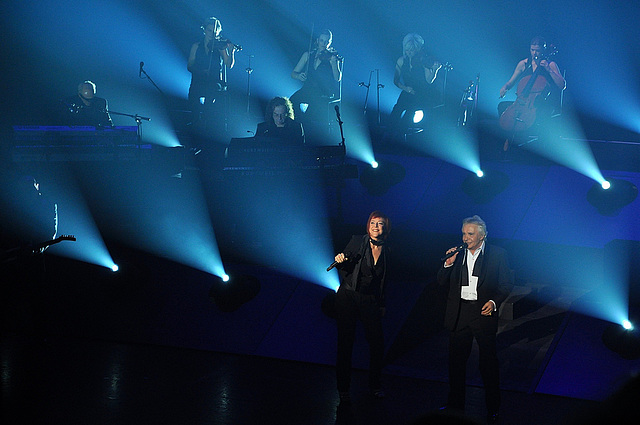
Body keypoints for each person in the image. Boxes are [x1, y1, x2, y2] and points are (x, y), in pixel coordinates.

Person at [437, 215, 511, 424]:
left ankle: (493, 408)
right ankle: (454, 407)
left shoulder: (497, 254)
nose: (465, 238)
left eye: (470, 234)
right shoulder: (458, 254)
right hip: (459, 314)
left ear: (482, 236)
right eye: (463, 233)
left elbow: (506, 284)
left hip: (482, 315)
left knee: (488, 363)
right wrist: (448, 264)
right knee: (456, 364)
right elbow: (440, 281)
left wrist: (494, 303)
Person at [332, 211, 391, 403]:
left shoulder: (389, 250)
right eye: (373, 223)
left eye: (380, 223)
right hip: (348, 296)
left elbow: (384, 280)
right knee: (345, 343)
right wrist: (341, 259)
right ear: (368, 226)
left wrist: (381, 304)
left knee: (377, 344)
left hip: (370, 300)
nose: (375, 226)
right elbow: (345, 266)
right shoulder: (357, 241)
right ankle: (343, 389)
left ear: (385, 228)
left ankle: (374, 385)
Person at [498, 36, 566, 125]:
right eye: (532, 50)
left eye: (537, 50)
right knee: (502, 106)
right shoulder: (523, 64)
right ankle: (506, 134)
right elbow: (511, 82)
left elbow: (562, 85)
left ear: (543, 50)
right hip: (524, 102)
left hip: (543, 103)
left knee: (539, 115)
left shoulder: (550, 64)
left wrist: (548, 69)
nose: (534, 53)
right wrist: (505, 87)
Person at [389, 33, 442, 133]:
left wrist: (435, 70)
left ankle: (402, 136)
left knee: (408, 115)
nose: (409, 52)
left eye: (412, 50)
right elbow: (396, 80)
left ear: (417, 49)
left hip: (420, 94)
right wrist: (405, 88)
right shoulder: (401, 60)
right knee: (395, 113)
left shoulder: (423, 61)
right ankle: (389, 135)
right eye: (407, 50)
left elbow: (429, 80)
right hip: (407, 92)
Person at [290, 29, 342, 126]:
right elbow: (293, 73)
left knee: (311, 113)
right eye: (322, 40)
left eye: (327, 41)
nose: (324, 44)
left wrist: (334, 62)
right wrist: (299, 76)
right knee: (290, 102)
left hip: (322, 92)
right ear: (317, 40)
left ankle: (307, 128)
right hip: (307, 89)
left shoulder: (331, 58)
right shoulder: (308, 55)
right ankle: (297, 126)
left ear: (330, 42)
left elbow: (337, 78)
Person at [187, 16, 238, 108]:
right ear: (205, 30)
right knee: (193, 105)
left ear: (218, 32)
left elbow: (229, 65)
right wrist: (201, 71)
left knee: (210, 108)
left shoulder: (220, 47)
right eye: (209, 30)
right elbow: (189, 66)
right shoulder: (196, 46)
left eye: (215, 31)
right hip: (198, 81)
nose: (212, 33)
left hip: (214, 83)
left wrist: (231, 52)